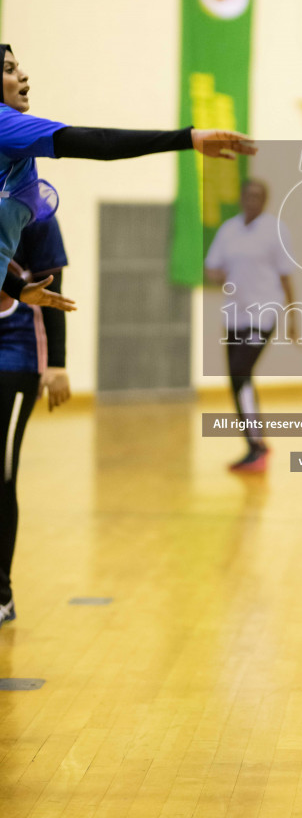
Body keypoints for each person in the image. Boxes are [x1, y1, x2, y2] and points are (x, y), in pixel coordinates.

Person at [0, 42, 256, 294]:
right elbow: (101, 143)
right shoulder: (5, 123)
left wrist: (16, 288)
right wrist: (188, 138)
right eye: (9, 69)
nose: (23, 75)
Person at [0, 215, 71, 628]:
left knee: (2, 471)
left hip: (17, 350)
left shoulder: (37, 212)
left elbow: (52, 290)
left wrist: (58, 363)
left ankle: (2, 593)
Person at [205, 179, 296, 473]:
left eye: (258, 195)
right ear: (242, 197)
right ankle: (255, 444)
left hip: (263, 316)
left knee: (242, 372)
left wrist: (293, 318)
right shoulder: (229, 230)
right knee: (237, 380)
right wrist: (217, 274)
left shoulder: (276, 231)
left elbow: (286, 277)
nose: (252, 199)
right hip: (235, 317)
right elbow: (212, 266)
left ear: (265, 199)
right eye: (248, 194)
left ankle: (257, 447)